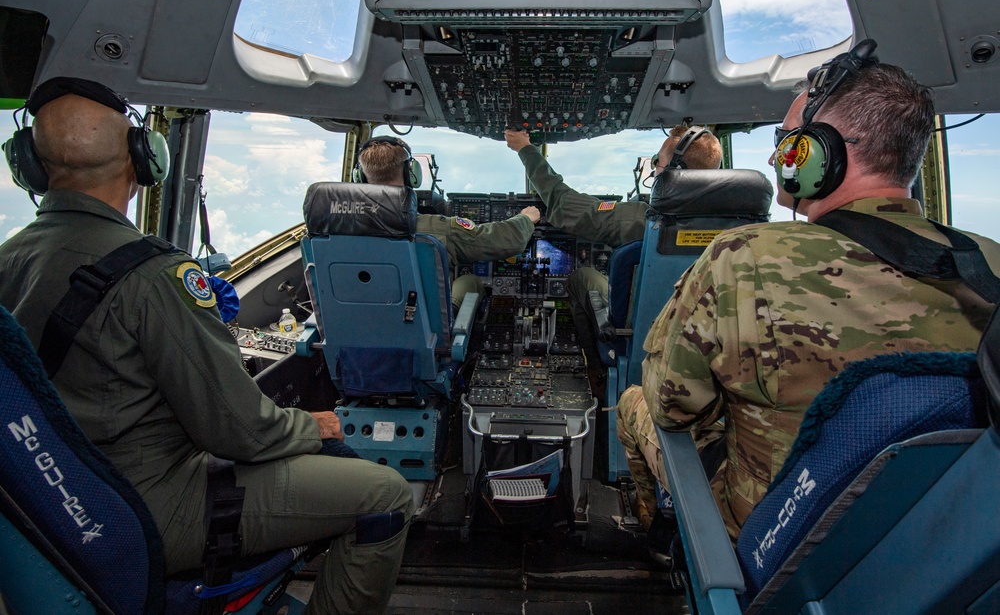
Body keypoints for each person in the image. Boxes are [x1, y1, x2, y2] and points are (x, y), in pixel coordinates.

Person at [0, 77, 414, 614]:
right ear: (142, 160)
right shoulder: (153, 276)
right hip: (141, 506)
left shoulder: (10, 261)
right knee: (387, 494)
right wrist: (317, 424)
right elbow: (243, 431)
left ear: (30, 165)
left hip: (51, 501)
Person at [616, 48, 1000, 543]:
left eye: (787, 143)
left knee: (635, 404)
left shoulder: (745, 258)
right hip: (939, 525)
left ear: (818, 155)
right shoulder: (986, 263)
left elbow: (670, 405)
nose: (778, 158)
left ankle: (661, 542)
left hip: (772, 529)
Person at [504, 126, 724, 381]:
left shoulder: (643, 221)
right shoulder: (738, 233)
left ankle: (596, 369)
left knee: (581, 276)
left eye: (658, 163)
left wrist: (526, 149)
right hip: (705, 349)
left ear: (677, 174)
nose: (654, 170)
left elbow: (564, 204)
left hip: (640, 343)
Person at [357, 136, 540, 309]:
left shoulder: (331, 227)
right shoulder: (437, 229)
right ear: (410, 173)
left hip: (354, 327)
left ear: (360, 177)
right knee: (470, 281)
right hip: (421, 331)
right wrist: (525, 219)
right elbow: (500, 240)